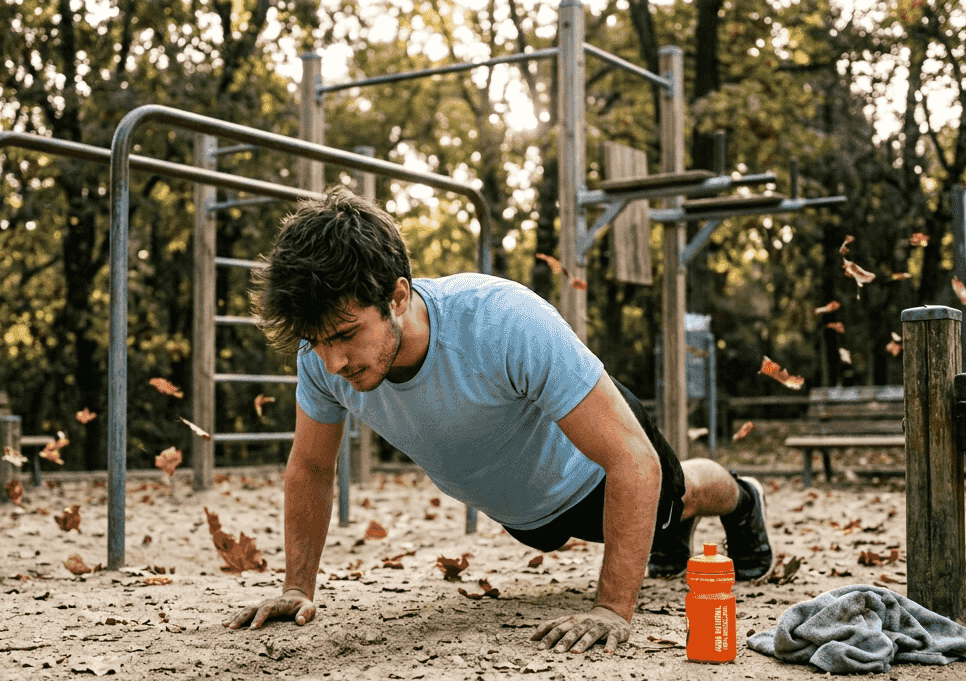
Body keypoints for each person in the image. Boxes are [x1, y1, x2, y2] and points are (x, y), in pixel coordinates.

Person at [226, 188, 773, 654]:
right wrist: (297, 588)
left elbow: (632, 459)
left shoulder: (501, 319)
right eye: (317, 341)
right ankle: (667, 534)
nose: (332, 362)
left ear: (397, 296)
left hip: (598, 475)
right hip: (526, 512)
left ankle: (743, 498)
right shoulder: (321, 358)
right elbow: (311, 467)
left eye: (345, 335)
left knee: (680, 497)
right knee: (608, 528)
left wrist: (611, 610)